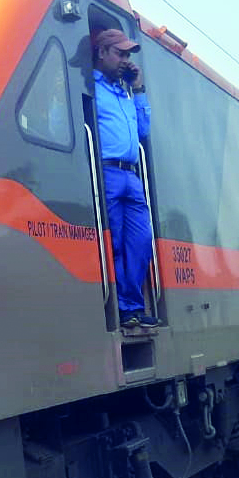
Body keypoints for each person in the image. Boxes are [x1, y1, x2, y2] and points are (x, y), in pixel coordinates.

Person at [92, 28, 156, 329]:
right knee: (114, 241)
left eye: (128, 55)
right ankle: (125, 307)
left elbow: (143, 131)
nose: (125, 60)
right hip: (106, 171)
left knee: (141, 241)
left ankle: (132, 303)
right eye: (120, 53)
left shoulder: (126, 92)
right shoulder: (91, 86)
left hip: (131, 174)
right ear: (102, 53)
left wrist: (139, 89)